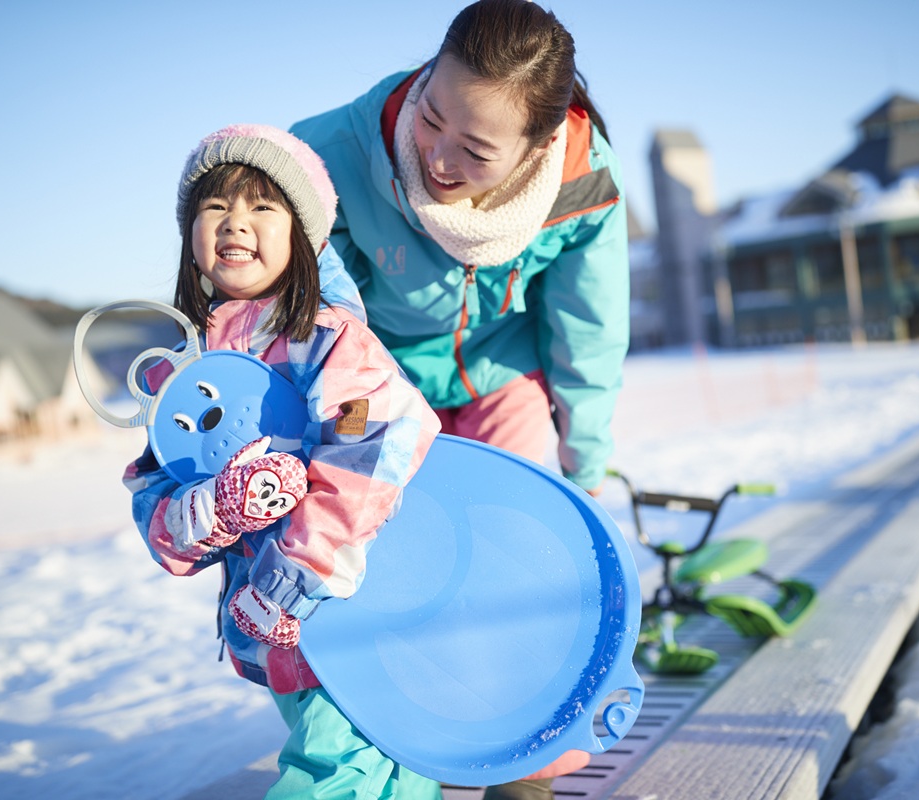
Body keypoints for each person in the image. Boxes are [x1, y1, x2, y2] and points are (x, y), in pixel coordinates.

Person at [291, 1, 629, 795]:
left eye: (475, 148)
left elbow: (587, 330)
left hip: (501, 375)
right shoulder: (331, 158)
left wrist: (586, 466)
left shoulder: (584, 177)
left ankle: (524, 764)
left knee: (517, 560)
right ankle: (402, 746)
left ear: (539, 146)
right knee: (383, 549)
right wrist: (349, 444)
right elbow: (326, 328)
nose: (438, 155)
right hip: (376, 381)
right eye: (432, 117)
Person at [123, 124, 443, 799]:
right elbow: (155, 489)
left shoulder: (324, 338)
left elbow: (374, 438)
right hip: (276, 629)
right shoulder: (189, 374)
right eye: (215, 206)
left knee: (333, 770)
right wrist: (210, 509)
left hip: (343, 608)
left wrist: (290, 580)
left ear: (304, 236)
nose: (235, 222)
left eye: (263, 206)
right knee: (387, 766)